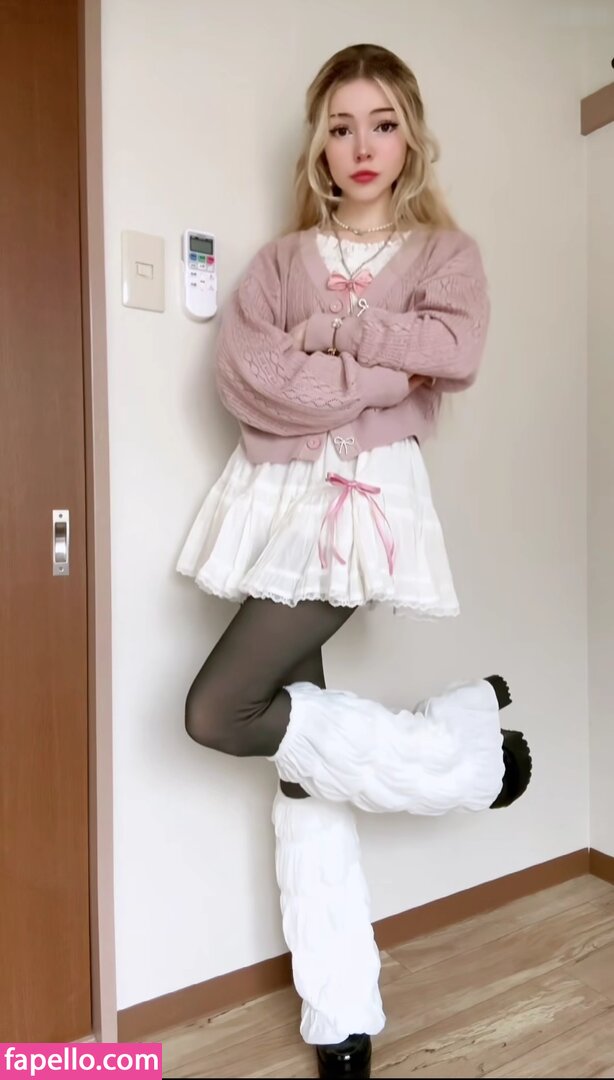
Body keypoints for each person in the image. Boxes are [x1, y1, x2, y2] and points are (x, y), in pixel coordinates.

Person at [177, 42, 532, 1080]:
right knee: (305, 773)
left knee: (218, 712)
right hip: (273, 501)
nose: (361, 144)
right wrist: (371, 370)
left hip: (362, 505)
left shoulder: (445, 253)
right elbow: (246, 375)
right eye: (340, 126)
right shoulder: (281, 262)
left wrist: (337, 337)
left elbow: (452, 352)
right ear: (318, 146)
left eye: (381, 123)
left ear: (409, 136)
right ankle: (340, 1014)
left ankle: (465, 759)